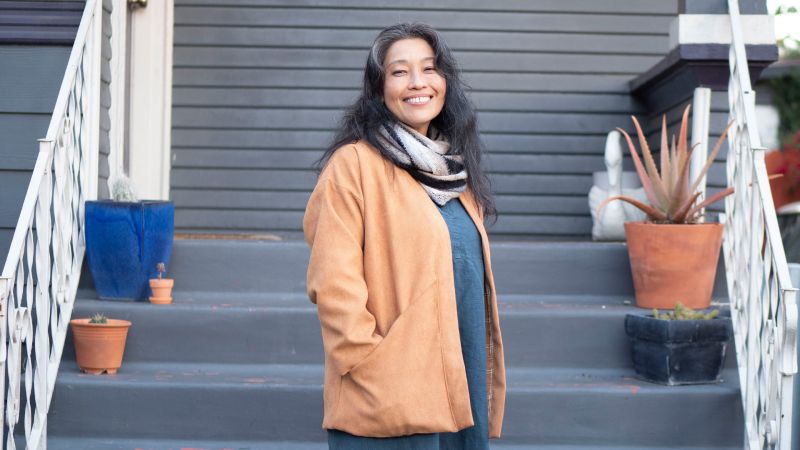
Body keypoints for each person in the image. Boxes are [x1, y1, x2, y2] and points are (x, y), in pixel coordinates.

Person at [303, 23, 506, 450]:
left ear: (444, 82)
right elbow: (333, 283)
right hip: (388, 393)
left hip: (458, 389)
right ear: (379, 91)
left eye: (429, 69)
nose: (418, 82)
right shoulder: (353, 165)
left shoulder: (455, 175)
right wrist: (371, 364)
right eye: (399, 72)